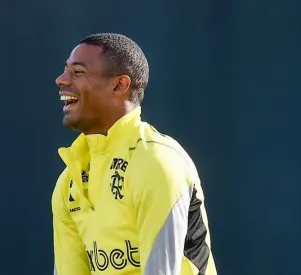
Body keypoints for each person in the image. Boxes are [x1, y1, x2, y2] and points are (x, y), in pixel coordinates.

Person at [52, 33, 217, 275]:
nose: (61, 80)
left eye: (78, 72)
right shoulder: (69, 182)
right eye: (65, 70)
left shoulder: (156, 161)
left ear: (119, 85)